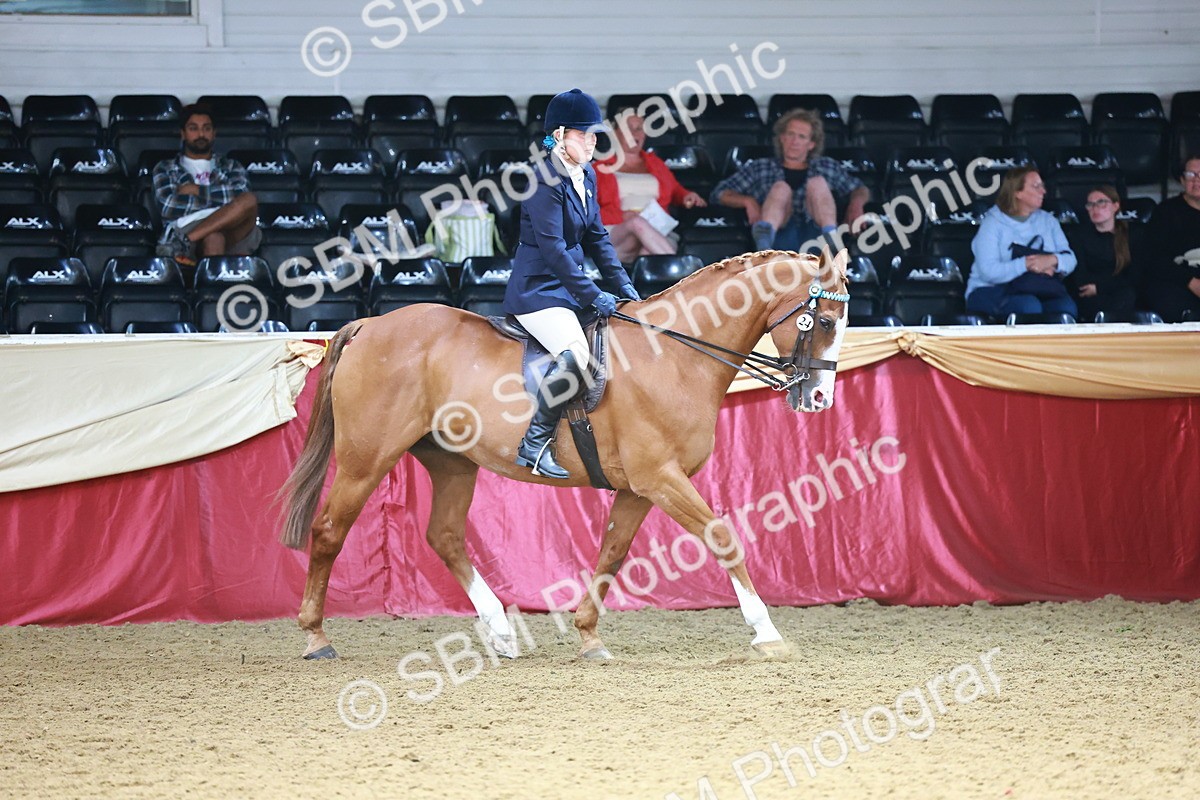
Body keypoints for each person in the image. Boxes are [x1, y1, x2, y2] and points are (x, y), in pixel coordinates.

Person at [503, 88, 639, 481]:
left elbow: (597, 238)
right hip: (538, 291)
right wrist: (594, 295)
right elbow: (554, 250)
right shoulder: (540, 179)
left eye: (595, 135)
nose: (593, 142)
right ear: (559, 135)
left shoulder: (588, 174)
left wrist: (627, 291)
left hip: (565, 290)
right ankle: (534, 443)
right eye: (585, 135)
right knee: (578, 354)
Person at [711, 108, 869, 253]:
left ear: (811, 144)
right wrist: (747, 201)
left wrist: (856, 204)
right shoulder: (760, 167)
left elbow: (859, 189)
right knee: (781, 188)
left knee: (818, 183)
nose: (795, 141)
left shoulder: (826, 166)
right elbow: (719, 193)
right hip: (778, 238)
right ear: (782, 138)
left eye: (801, 137)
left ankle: (831, 241)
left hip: (816, 237)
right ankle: (764, 249)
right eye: (790, 134)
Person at [153, 104, 260, 268]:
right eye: (193, 128)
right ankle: (213, 291)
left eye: (206, 128)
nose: (201, 134)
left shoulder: (231, 166)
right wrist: (224, 205)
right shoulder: (166, 168)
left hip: (233, 228)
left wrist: (196, 191)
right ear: (183, 134)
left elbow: (242, 196)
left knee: (249, 199)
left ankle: (185, 242)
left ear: (214, 133)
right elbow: (168, 206)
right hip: (186, 225)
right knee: (214, 237)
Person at [592, 111, 707, 262]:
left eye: (639, 128)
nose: (635, 133)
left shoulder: (656, 163)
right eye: (629, 128)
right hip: (617, 232)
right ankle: (687, 274)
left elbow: (676, 190)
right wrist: (623, 216)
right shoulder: (599, 168)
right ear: (615, 133)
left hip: (657, 229)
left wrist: (686, 196)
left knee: (648, 251)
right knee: (637, 223)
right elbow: (587, 210)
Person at [966, 165, 1078, 318]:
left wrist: (1051, 260)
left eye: (1042, 186)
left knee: (1066, 307)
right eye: (1036, 186)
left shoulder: (1048, 221)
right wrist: (1027, 264)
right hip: (991, 289)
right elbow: (988, 272)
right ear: (1017, 192)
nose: (1043, 191)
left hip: (1038, 287)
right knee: (1028, 306)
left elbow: (1070, 259)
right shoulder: (992, 223)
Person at [1065, 185, 1142, 321]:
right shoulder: (1078, 236)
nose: (1095, 208)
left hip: (1121, 293)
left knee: (1127, 296)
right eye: (1090, 204)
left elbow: (1135, 276)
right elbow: (1081, 279)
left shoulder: (1132, 234)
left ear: (1115, 206)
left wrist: (1100, 287)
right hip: (1090, 296)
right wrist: (1111, 284)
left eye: (1101, 203)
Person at [1141, 156, 1200, 322]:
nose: (1197, 181)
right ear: (1182, 180)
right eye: (1191, 175)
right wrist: (1191, 282)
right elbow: (1154, 258)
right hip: (1178, 281)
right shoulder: (1166, 212)